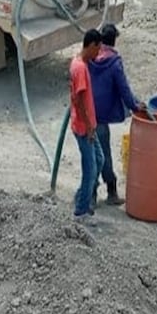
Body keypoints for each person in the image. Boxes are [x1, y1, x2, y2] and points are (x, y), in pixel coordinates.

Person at [88, 23, 145, 206]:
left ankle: (93, 194)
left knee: (94, 152)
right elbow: (124, 91)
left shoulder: (89, 57)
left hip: (87, 114)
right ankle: (102, 193)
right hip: (102, 116)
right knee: (101, 153)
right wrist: (136, 107)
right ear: (114, 41)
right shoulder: (114, 63)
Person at [70, 29, 103, 223]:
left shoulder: (78, 62)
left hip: (85, 125)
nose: (98, 54)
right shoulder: (81, 69)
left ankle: (82, 195)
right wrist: (90, 127)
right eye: (97, 50)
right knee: (90, 168)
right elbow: (81, 101)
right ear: (91, 45)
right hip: (84, 128)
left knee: (99, 160)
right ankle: (81, 212)